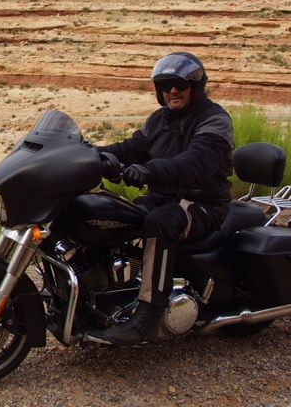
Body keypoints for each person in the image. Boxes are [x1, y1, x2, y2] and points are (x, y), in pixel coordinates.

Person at [98, 51, 234, 346]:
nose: (172, 90)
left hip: (204, 205)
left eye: (180, 84)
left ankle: (148, 315)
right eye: (166, 85)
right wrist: (89, 153)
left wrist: (147, 171)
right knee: (115, 215)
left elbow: (195, 163)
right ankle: (110, 292)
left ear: (196, 87)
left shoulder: (215, 120)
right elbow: (131, 147)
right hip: (165, 198)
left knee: (161, 221)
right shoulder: (159, 119)